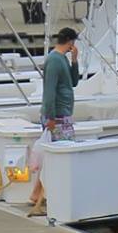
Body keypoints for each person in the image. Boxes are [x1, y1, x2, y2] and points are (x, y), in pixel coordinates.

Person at [27, 27, 80, 216]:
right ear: (71, 41)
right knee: (58, 156)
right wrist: (50, 117)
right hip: (56, 116)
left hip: (62, 114)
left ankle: (38, 194)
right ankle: (39, 195)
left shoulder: (62, 59)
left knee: (55, 157)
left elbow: (74, 82)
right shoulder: (54, 61)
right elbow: (49, 91)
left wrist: (74, 61)